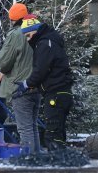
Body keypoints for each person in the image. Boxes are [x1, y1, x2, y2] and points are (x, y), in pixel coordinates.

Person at [0, 3, 39, 154]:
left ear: (13, 19)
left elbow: (3, 62)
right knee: (32, 126)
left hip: (20, 87)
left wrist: (2, 70)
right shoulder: (35, 30)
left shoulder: (15, 34)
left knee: (24, 129)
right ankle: (36, 158)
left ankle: (27, 162)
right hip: (35, 84)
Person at [20, 21, 74, 149]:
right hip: (62, 92)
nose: (28, 40)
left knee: (52, 136)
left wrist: (26, 84)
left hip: (55, 94)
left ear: (36, 31)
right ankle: (63, 163)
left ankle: (56, 165)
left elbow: (40, 70)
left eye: (28, 35)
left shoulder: (44, 44)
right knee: (58, 134)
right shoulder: (51, 41)